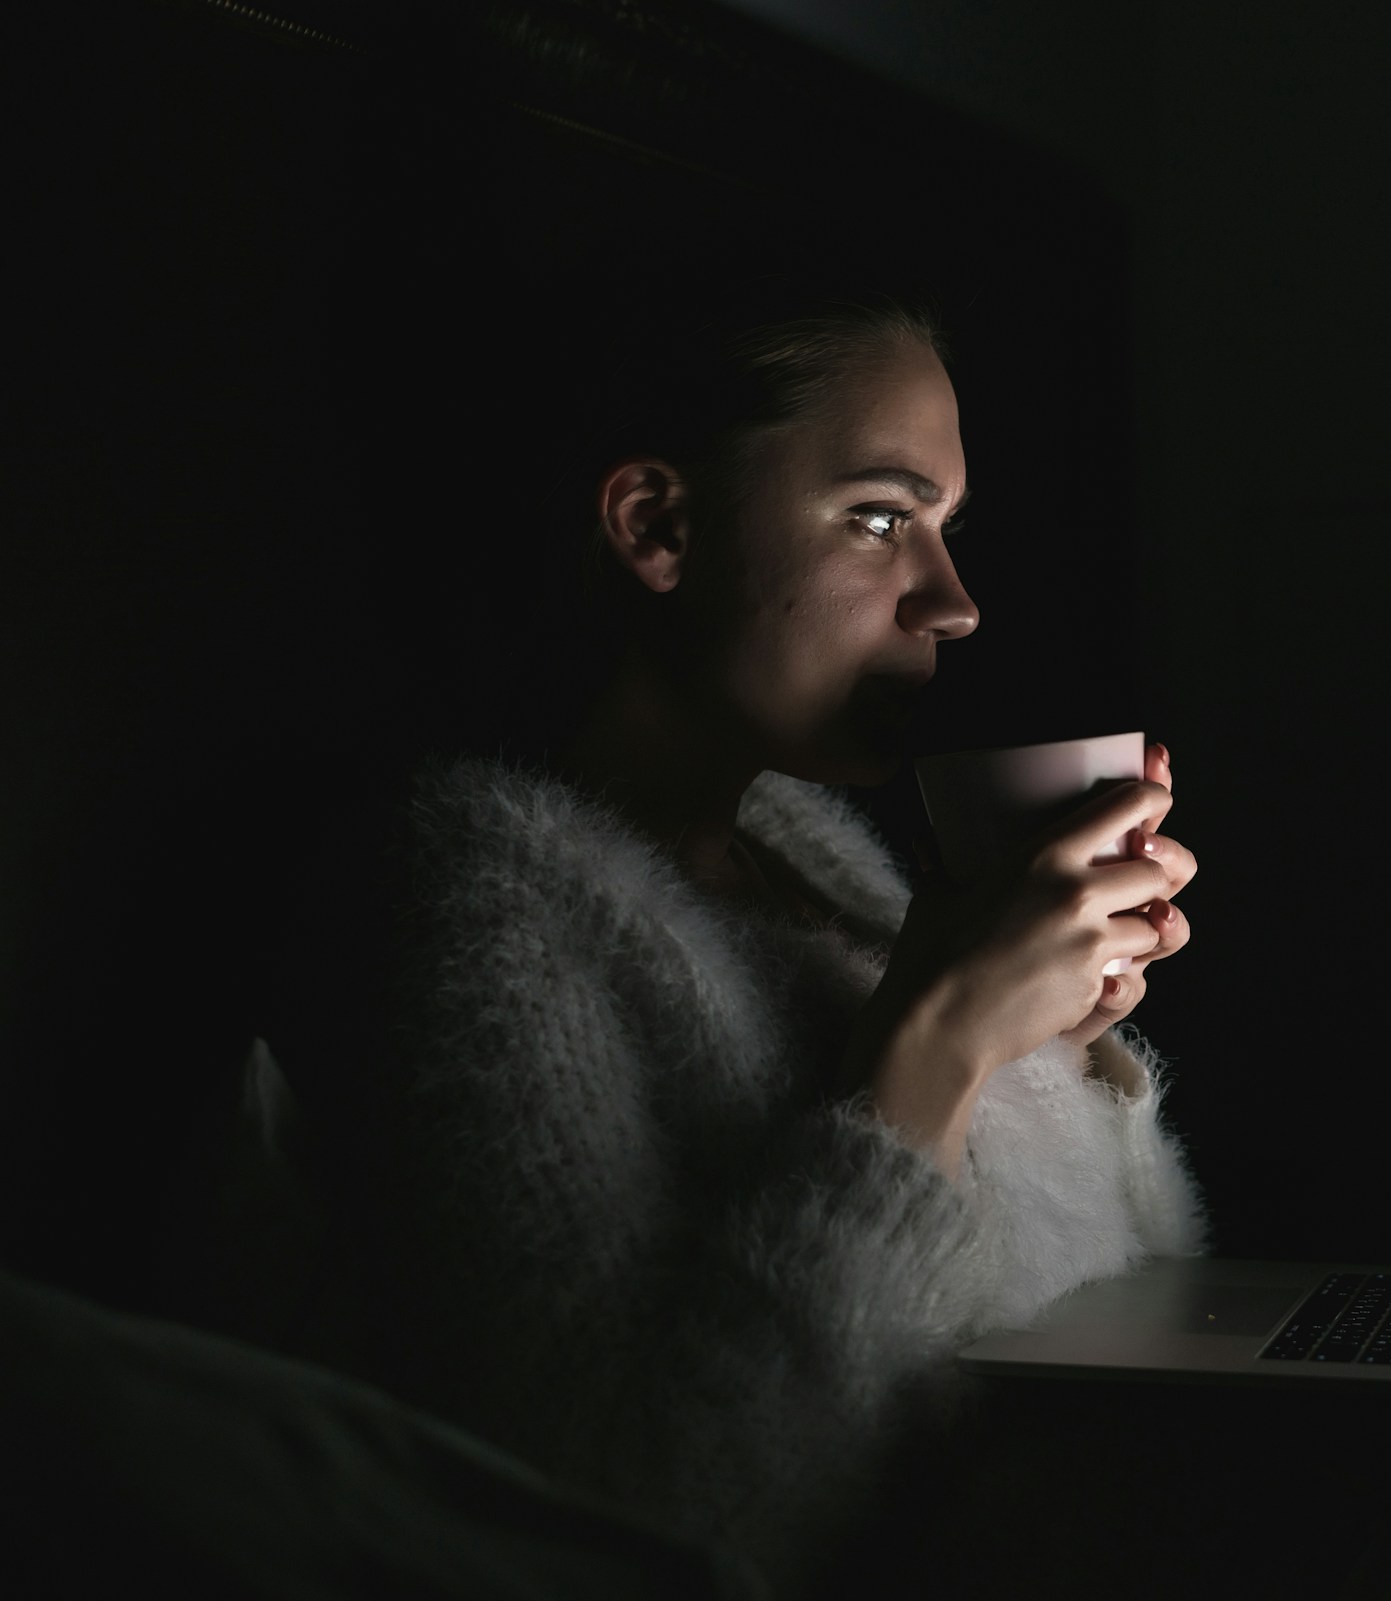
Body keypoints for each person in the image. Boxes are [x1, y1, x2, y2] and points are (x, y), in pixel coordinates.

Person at [201, 294, 1209, 1592]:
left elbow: (1144, 1292)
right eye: (882, 518)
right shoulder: (475, 894)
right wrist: (933, 1049)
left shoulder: (810, 844)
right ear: (657, 526)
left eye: (948, 531)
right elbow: (651, 1506)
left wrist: (1062, 1038)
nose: (952, 603)